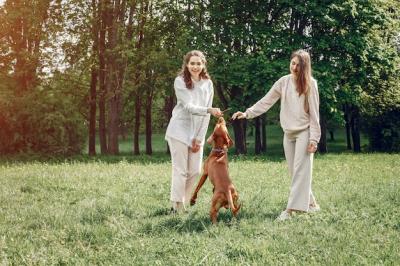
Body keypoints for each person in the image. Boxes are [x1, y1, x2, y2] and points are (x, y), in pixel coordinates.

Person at [232, 49, 321, 221]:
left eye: (298, 65)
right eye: (292, 63)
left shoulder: (311, 84)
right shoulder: (283, 82)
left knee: (301, 171)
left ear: (305, 67)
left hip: (304, 131)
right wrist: (247, 113)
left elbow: (315, 114)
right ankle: (312, 204)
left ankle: (290, 210)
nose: (294, 67)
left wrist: (314, 139)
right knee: (294, 172)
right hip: (288, 133)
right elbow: (267, 101)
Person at [165, 50, 222, 213]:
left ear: (203, 65)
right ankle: (178, 205)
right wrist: (209, 110)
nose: (195, 66)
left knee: (195, 171)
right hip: (179, 131)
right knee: (180, 170)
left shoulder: (208, 83)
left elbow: (206, 116)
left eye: (198, 63)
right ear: (187, 65)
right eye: (192, 63)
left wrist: (199, 138)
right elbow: (189, 107)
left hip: (197, 132)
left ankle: (180, 201)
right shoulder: (180, 81)